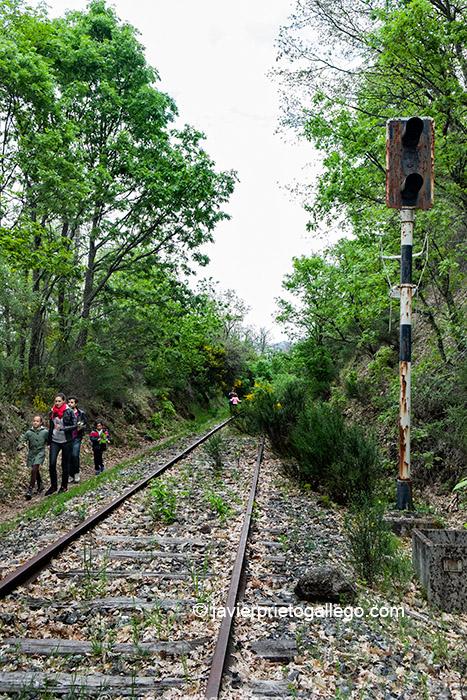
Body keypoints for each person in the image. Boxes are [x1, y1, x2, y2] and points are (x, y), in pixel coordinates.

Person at [45, 393, 77, 496]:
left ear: (63, 401)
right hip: (55, 440)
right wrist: (48, 438)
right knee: (52, 463)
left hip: (66, 441)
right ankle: (53, 486)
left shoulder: (69, 411)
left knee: (65, 464)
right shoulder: (52, 411)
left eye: (59, 401)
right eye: (56, 401)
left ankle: (64, 486)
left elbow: (75, 425)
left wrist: (63, 429)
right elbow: (51, 425)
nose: (57, 403)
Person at [17, 414, 49, 500]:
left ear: (41, 422)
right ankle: (40, 485)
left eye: (37, 421)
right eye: (34, 421)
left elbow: (49, 440)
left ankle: (30, 489)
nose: (35, 422)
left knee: (34, 469)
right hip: (31, 453)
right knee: (35, 470)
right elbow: (23, 440)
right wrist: (20, 446)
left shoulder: (45, 432)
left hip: (40, 452)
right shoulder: (29, 432)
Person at [67, 396, 87, 484]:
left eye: (72, 402)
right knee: (69, 456)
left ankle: (76, 473)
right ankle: (70, 475)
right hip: (68, 438)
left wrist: (81, 426)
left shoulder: (81, 413)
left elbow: (85, 423)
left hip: (77, 437)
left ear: (76, 404)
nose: (70, 404)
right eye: (69, 402)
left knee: (75, 455)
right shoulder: (66, 412)